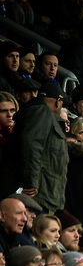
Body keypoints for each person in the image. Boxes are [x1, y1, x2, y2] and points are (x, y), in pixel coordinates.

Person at [1, 83, 69, 213]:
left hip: (45, 196)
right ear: (58, 102)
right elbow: (32, 145)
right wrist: (31, 183)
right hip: (38, 197)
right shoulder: (42, 112)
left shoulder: (37, 112)